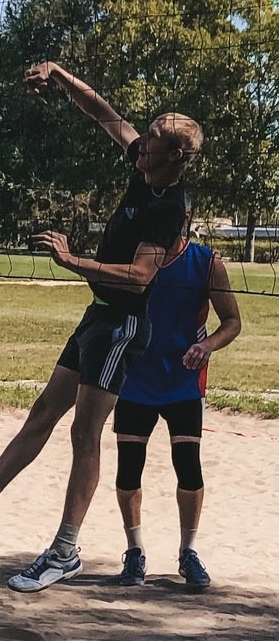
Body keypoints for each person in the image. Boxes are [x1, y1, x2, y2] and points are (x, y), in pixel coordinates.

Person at [0, 60, 203, 593]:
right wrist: (60, 73)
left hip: (123, 325)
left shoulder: (167, 207)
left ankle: (65, 550)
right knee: (45, 410)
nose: (141, 143)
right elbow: (104, 113)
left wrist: (74, 262)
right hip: (100, 316)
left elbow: (140, 276)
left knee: (83, 433)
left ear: (174, 157)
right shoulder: (143, 169)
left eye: (152, 140)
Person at [114, 231, 240, 589]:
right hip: (135, 375)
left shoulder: (207, 262)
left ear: (185, 217)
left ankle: (188, 551)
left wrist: (208, 345)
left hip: (184, 377)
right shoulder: (133, 255)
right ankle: (135, 551)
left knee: (188, 465)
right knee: (129, 467)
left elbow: (232, 321)